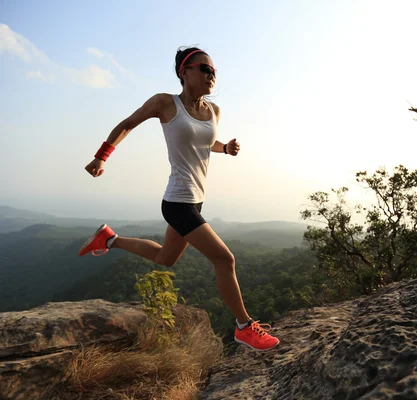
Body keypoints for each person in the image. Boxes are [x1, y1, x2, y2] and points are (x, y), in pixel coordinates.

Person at [79, 46, 279, 352]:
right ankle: (243, 327)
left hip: (196, 200)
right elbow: (128, 124)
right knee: (225, 259)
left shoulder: (214, 111)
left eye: (214, 71)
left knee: (165, 258)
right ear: (184, 73)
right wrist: (101, 157)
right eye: (204, 69)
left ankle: (109, 239)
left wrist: (225, 148)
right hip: (177, 202)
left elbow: (205, 141)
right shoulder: (165, 103)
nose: (211, 75)